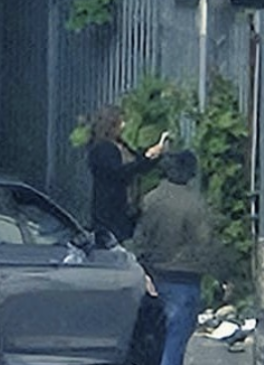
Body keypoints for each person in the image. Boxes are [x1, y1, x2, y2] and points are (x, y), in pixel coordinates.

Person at [131, 150, 222, 365]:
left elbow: (140, 238)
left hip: (153, 275)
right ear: (191, 173)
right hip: (185, 278)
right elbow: (205, 243)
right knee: (176, 339)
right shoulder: (196, 204)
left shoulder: (151, 199)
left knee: (153, 338)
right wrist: (221, 274)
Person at [86, 105, 167, 243]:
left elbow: (134, 162)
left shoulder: (119, 144)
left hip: (126, 206)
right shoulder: (102, 149)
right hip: (111, 209)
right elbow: (119, 173)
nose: (123, 126)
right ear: (110, 125)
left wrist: (150, 156)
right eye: (120, 122)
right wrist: (147, 159)